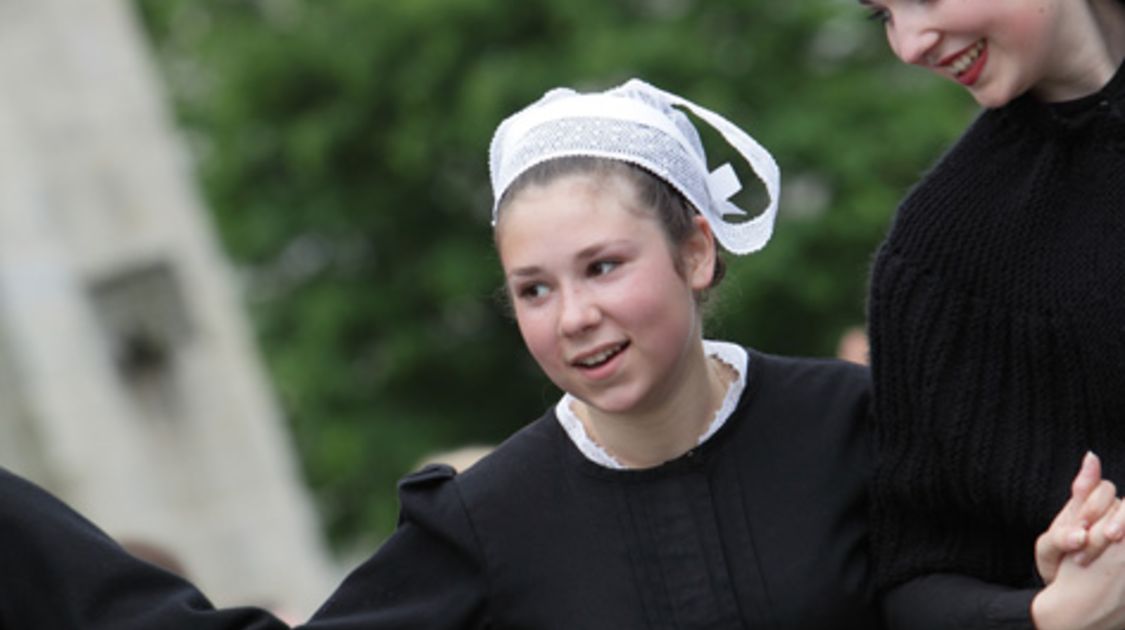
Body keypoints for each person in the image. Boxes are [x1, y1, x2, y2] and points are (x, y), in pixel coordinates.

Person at [0, 78, 881, 628]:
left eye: (602, 267)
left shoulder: (849, 424)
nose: (572, 315)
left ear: (694, 250)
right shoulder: (485, 521)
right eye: (534, 289)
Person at [857, 0, 1125, 627]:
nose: (910, 43)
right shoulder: (938, 259)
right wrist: (1049, 609)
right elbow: (915, 581)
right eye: (882, 15)